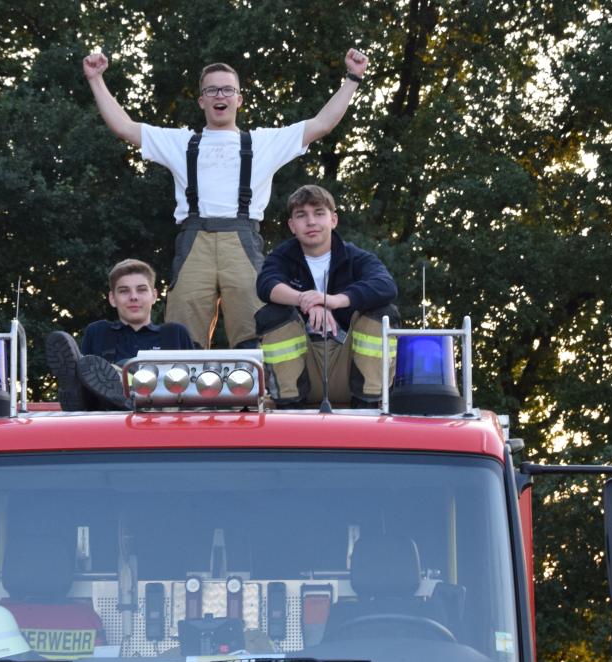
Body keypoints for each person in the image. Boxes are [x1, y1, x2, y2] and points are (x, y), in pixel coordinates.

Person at [82, 47, 369, 348]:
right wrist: (96, 79)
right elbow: (125, 127)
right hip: (195, 241)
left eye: (228, 90)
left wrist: (353, 77)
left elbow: (321, 124)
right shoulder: (181, 142)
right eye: (212, 90)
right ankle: (184, 393)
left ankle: (253, 395)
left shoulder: (263, 142)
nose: (220, 96)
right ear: (202, 100)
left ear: (239, 99)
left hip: (242, 242)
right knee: (181, 333)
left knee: (257, 328)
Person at [254, 184, 397, 408]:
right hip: (303, 367)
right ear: (292, 225)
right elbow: (266, 285)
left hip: (348, 367)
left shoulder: (356, 257)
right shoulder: (282, 256)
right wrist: (306, 300)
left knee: (383, 312)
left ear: (333, 220)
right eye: (302, 216)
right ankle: (290, 407)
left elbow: (385, 285)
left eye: (319, 213)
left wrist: (333, 300)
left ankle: (368, 404)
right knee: (272, 315)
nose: (311, 222)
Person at [47, 258, 195, 411]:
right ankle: (77, 386)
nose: (133, 297)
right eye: (124, 291)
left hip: (163, 412)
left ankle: (126, 387)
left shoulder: (175, 333)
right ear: (112, 298)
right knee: (88, 368)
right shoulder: (99, 331)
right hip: (110, 418)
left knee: (133, 371)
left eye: (141, 289)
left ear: (154, 295)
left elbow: (193, 389)